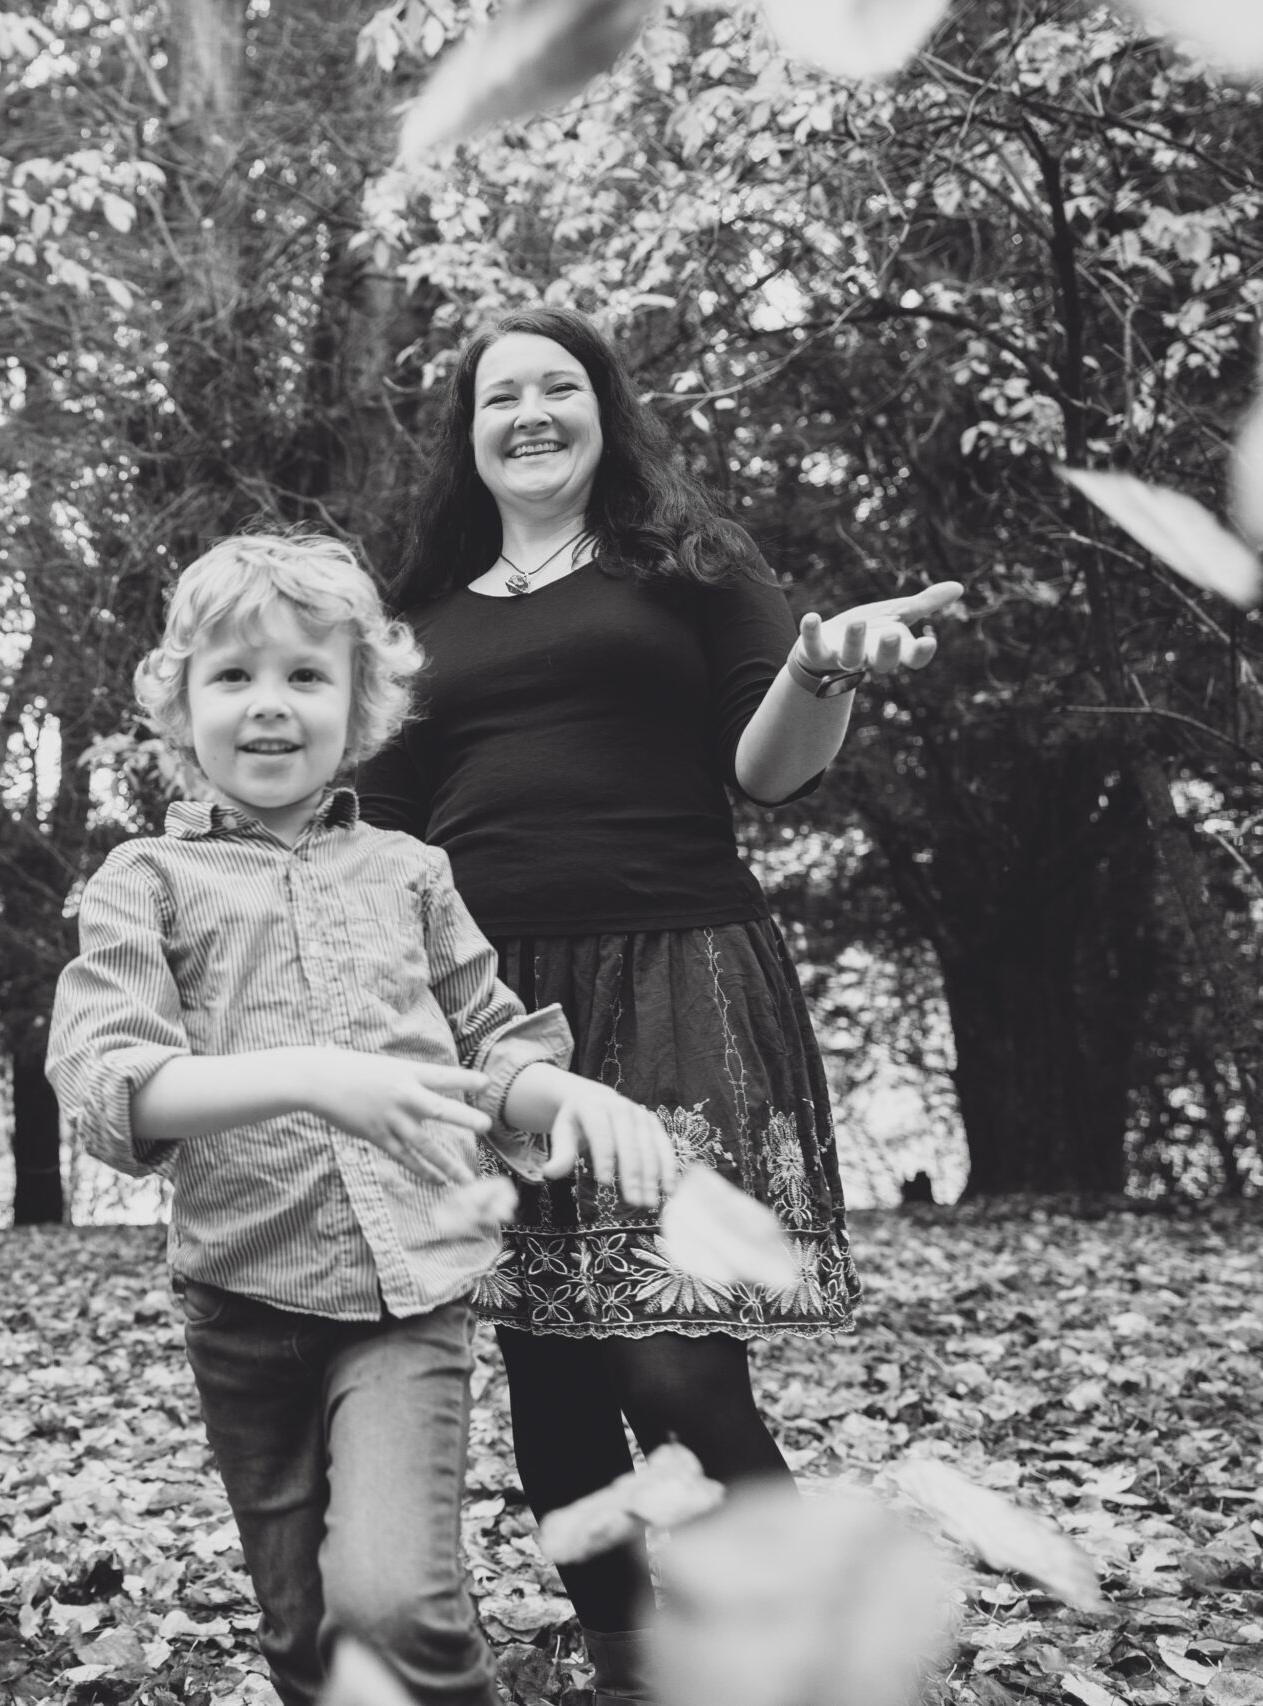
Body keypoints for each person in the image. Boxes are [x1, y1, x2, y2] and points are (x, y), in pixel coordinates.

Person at [356, 305, 961, 1704]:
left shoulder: (692, 565)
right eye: (500, 395)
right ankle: (630, 1663)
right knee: (551, 1372)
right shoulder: (417, 619)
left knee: (672, 1363)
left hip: (680, 976)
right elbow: (380, 839)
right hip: (494, 1010)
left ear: (604, 408)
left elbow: (771, 770)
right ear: (466, 434)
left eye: (559, 386)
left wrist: (821, 667)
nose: (530, 413)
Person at [47, 534, 684, 1706]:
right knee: (307, 1638)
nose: (269, 703)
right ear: (182, 707)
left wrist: (569, 1092)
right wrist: (312, 1075)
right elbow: (111, 1086)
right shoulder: (145, 878)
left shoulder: (410, 871)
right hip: (241, 1302)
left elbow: (490, 1047)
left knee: (393, 1603)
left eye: (305, 674)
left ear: (360, 705)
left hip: (408, 1294)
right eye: (233, 675)